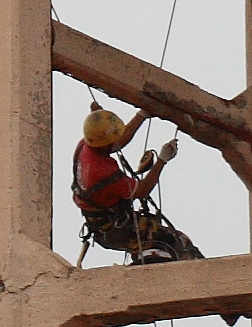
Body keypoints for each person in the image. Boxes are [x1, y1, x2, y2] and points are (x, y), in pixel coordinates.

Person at [72, 105, 204, 270]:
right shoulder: (102, 173)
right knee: (175, 240)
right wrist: (162, 160)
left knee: (168, 238)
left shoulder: (85, 146)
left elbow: (118, 142)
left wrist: (142, 114)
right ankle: (191, 273)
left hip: (105, 222)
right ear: (103, 144)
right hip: (113, 230)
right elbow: (142, 191)